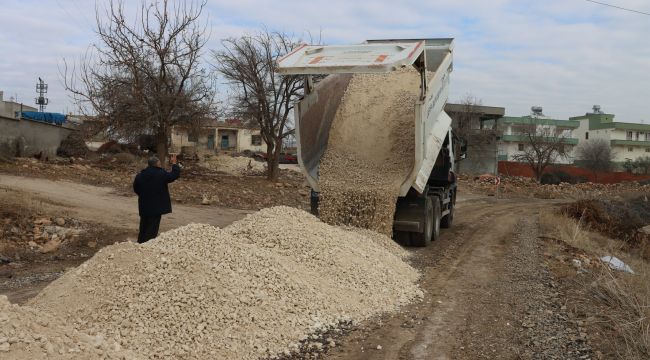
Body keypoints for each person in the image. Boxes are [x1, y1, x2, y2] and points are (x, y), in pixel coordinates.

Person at [133, 154, 181, 243]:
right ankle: (147, 247)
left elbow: (136, 189)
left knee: (143, 227)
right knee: (152, 229)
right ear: (157, 164)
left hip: (144, 206)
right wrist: (174, 164)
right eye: (159, 162)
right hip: (156, 208)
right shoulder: (161, 173)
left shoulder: (140, 175)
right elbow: (173, 175)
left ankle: (139, 245)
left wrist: (144, 196)